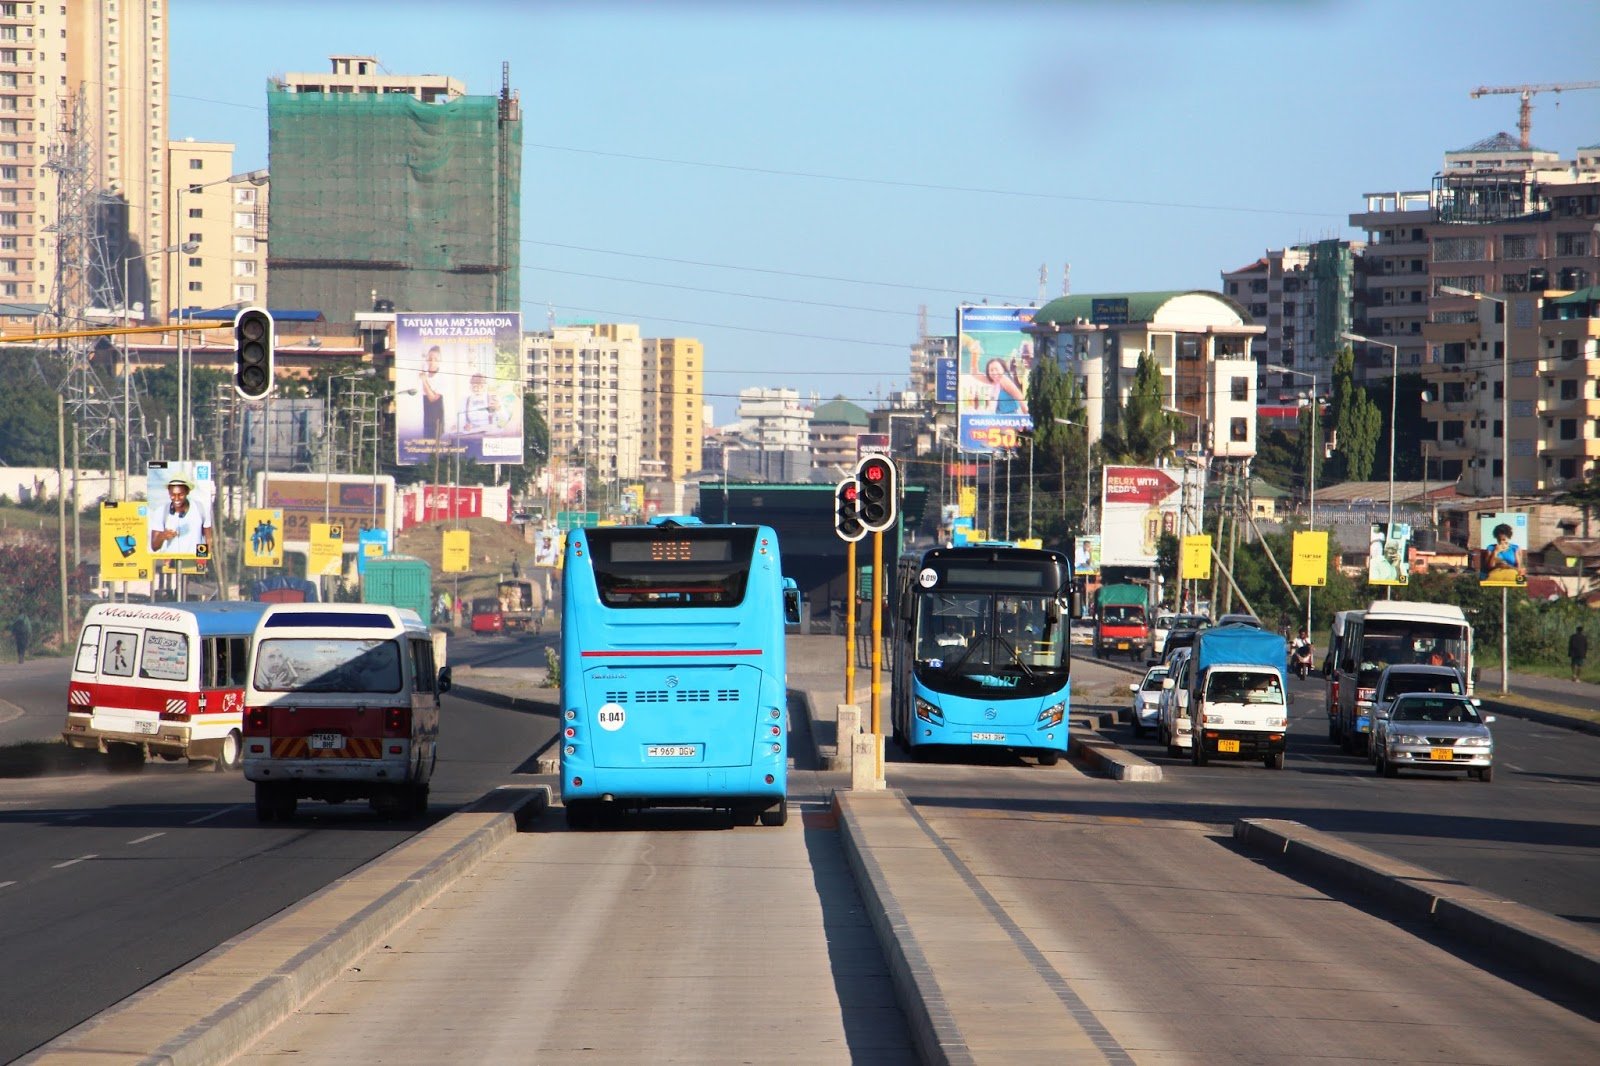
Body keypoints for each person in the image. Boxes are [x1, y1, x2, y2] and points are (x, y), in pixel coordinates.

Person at [150, 478, 212, 556]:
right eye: (172, 495)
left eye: (180, 494)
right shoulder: (160, 511)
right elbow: (154, 547)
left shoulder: (201, 509)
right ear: (169, 493)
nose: (176, 498)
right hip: (171, 563)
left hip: (194, 561)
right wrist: (162, 536)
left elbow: (208, 539)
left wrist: (203, 558)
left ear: (187, 492)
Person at [419, 345, 448, 439]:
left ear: (440, 361)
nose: (432, 362)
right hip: (424, 417)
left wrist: (424, 381)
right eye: (430, 358)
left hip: (436, 420)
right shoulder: (422, 373)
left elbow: (432, 398)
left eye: (435, 359)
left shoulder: (442, 377)